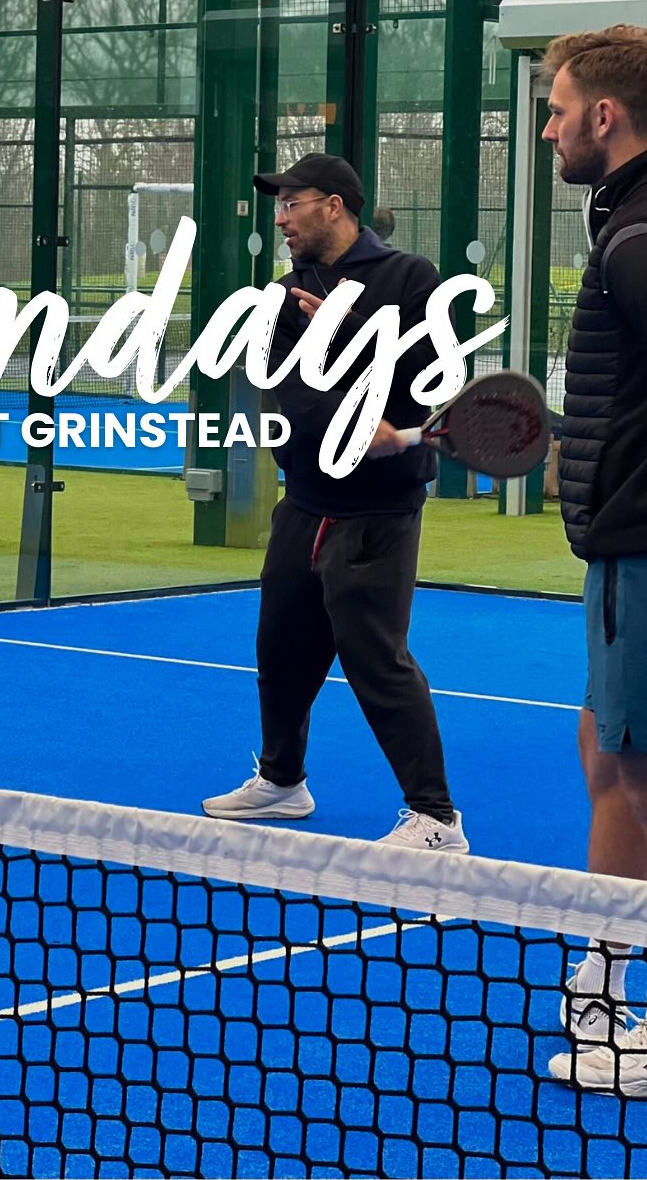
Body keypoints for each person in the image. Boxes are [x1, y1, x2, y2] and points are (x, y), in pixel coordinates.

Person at [201, 153, 467, 852]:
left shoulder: (412, 280)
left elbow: (424, 376)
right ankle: (283, 782)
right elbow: (292, 395)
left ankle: (436, 818)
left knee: (375, 655)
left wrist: (347, 341)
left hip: (380, 508)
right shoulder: (285, 297)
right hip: (306, 501)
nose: (281, 218)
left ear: (337, 206)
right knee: (281, 648)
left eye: (293, 203)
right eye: (278, 205)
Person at [539, 25, 647, 1096]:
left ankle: (633, 1010)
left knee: (642, 777)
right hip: (622, 551)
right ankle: (602, 970)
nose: (550, 127)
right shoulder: (629, 219)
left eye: (557, 106)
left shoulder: (640, 236)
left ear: (604, 116)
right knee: (601, 749)